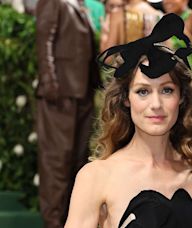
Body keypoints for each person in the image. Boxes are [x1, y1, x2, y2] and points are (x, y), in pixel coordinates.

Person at [65, 14, 192, 228]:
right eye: (143, 91)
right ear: (126, 99)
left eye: (167, 90)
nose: (156, 104)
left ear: (181, 98)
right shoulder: (97, 177)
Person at [35, 0, 102, 226]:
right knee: (57, 162)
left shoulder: (80, 4)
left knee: (77, 161)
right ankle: (53, 222)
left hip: (81, 92)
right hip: (60, 93)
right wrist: (49, 82)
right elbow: (45, 40)